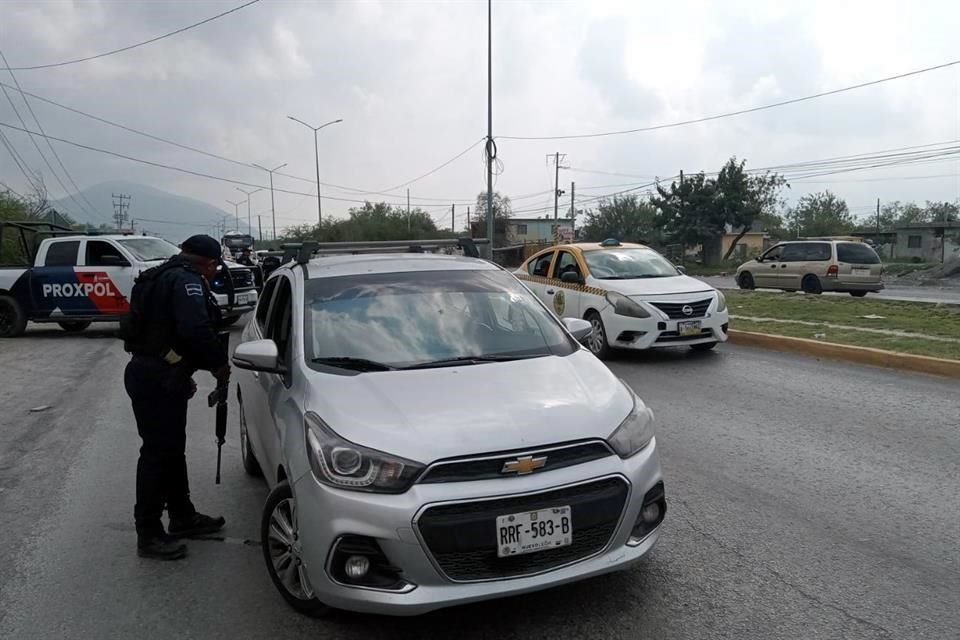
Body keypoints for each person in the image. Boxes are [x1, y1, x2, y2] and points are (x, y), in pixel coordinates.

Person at [121, 234, 230, 560]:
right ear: (209, 263)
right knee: (157, 454)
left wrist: (182, 373)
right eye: (214, 268)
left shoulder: (157, 275)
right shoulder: (186, 281)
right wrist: (218, 364)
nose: (213, 273)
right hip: (157, 376)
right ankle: (149, 533)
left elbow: (159, 330)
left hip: (159, 372)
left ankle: (182, 515)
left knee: (171, 451)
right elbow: (194, 328)